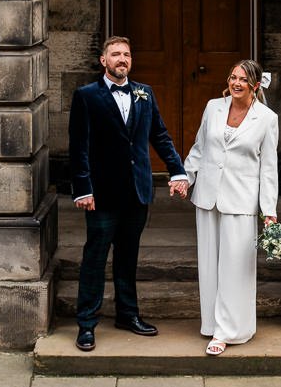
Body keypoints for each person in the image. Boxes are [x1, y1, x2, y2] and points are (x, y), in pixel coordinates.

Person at [68, 35, 190, 352]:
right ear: (103, 61)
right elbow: (78, 147)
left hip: (138, 191)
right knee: (95, 258)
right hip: (102, 194)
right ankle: (86, 324)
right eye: (116, 54)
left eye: (127, 54)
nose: (122, 59)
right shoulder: (86, 96)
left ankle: (128, 315)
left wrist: (178, 170)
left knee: (128, 257)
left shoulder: (144, 94)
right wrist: (83, 188)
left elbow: (160, 136)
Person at [182, 59, 279, 356]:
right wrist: (185, 178)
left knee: (236, 268)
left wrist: (269, 209)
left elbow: (268, 168)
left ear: (254, 85)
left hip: (241, 200)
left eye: (242, 79)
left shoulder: (266, 118)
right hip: (208, 196)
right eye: (232, 77)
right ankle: (212, 324)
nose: (236, 83)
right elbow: (199, 148)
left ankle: (230, 331)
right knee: (210, 264)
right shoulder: (213, 107)